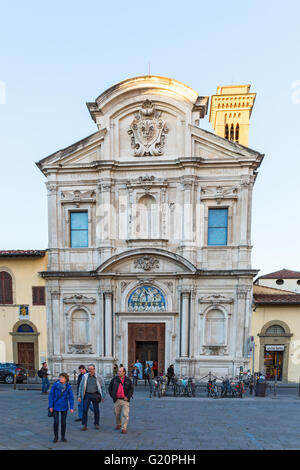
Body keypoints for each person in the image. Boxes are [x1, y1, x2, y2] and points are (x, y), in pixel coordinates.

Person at [78, 364, 106, 431]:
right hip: (87, 395)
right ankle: (84, 425)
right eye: (89, 369)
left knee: (96, 410)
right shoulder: (85, 376)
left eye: (91, 369)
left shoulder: (98, 377)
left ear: (94, 369)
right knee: (85, 410)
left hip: (95, 395)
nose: (90, 370)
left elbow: (103, 387)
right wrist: (79, 395)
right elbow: (81, 386)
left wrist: (103, 396)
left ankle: (96, 423)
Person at [48, 373, 74, 443]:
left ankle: (63, 436)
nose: (61, 379)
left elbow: (71, 397)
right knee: (56, 422)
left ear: (66, 379)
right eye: (60, 377)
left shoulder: (68, 387)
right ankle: (56, 436)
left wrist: (71, 407)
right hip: (55, 406)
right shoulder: (55, 385)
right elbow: (51, 396)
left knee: (63, 422)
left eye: (63, 378)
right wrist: (50, 406)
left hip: (64, 406)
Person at [108, 366, 134, 434]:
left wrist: (128, 397)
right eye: (118, 371)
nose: (118, 372)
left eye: (120, 371)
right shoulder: (114, 379)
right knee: (117, 413)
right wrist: (113, 396)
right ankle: (118, 424)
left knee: (125, 414)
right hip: (116, 400)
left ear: (124, 372)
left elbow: (131, 389)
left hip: (125, 400)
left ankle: (124, 428)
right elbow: (110, 388)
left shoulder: (128, 380)